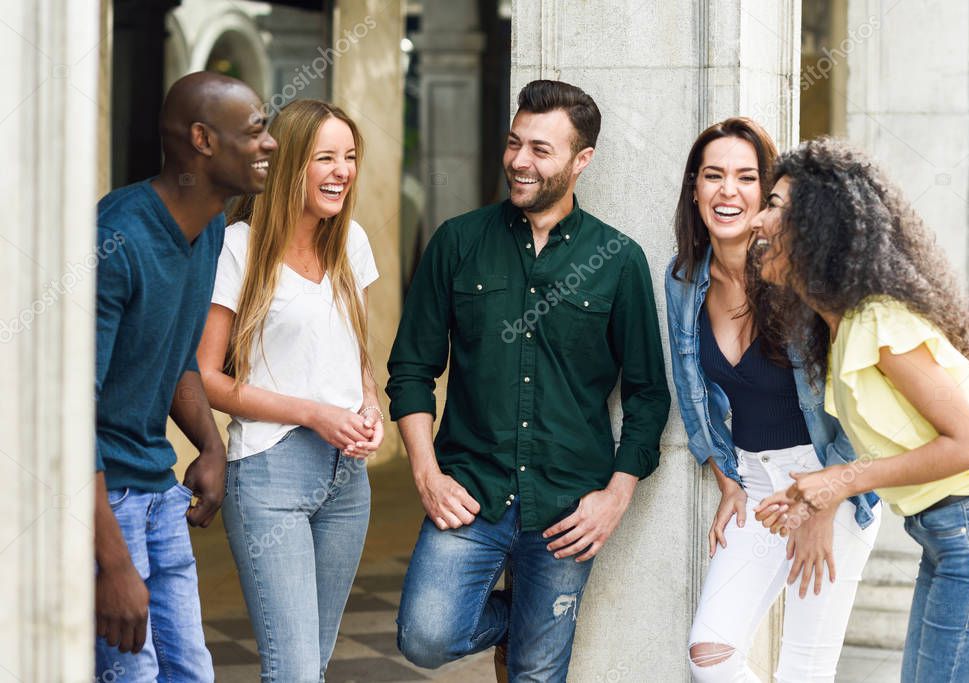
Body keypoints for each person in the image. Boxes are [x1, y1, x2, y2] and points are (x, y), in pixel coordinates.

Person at [386, 79, 670, 681]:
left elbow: (648, 395)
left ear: (581, 160)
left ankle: (542, 625)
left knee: (538, 672)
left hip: (568, 508)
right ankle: (536, 617)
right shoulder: (458, 244)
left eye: (541, 149)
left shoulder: (617, 261)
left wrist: (614, 499)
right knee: (425, 637)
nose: (519, 160)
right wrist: (425, 473)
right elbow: (411, 367)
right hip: (470, 492)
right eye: (515, 143)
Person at [751, 137, 969, 682]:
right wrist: (817, 491)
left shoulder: (879, 319)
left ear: (818, 223)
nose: (758, 219)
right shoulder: (840, 325)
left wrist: (842, 480)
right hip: (949, 536)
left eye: (776, 205)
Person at [664, 118, 880, 682]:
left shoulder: (803, 279)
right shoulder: (684, 280)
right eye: (713, 176)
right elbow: (689, 387)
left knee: (802, 670)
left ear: (766, 195)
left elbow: (858, 402)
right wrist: (725, 474)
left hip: (827, 479)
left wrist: (824, 500)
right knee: (709, 654)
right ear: (695, 188)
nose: (727, 191)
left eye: (745, 177)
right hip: (758, 489)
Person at [94, 72, 277, 680]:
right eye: (256, 130)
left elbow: (172, 358)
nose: (271, 144)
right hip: (104, 502)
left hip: (158, 492)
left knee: (190, 671)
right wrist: (113, 563)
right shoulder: (117, 238)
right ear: (202, 139)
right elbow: (68, 415)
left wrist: (210, 444)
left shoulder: (210, 232)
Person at [195, 99, 383, 682]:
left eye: (349, 157)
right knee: (294, 671)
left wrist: (369, 403)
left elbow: (356, 358)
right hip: (271, 475)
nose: (341, 171)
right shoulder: (238, 248)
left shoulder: (350, 241)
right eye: (324, 157)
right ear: (289, 165)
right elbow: (206, 378)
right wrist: (314, 414)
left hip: (347, 481)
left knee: (313, 667)